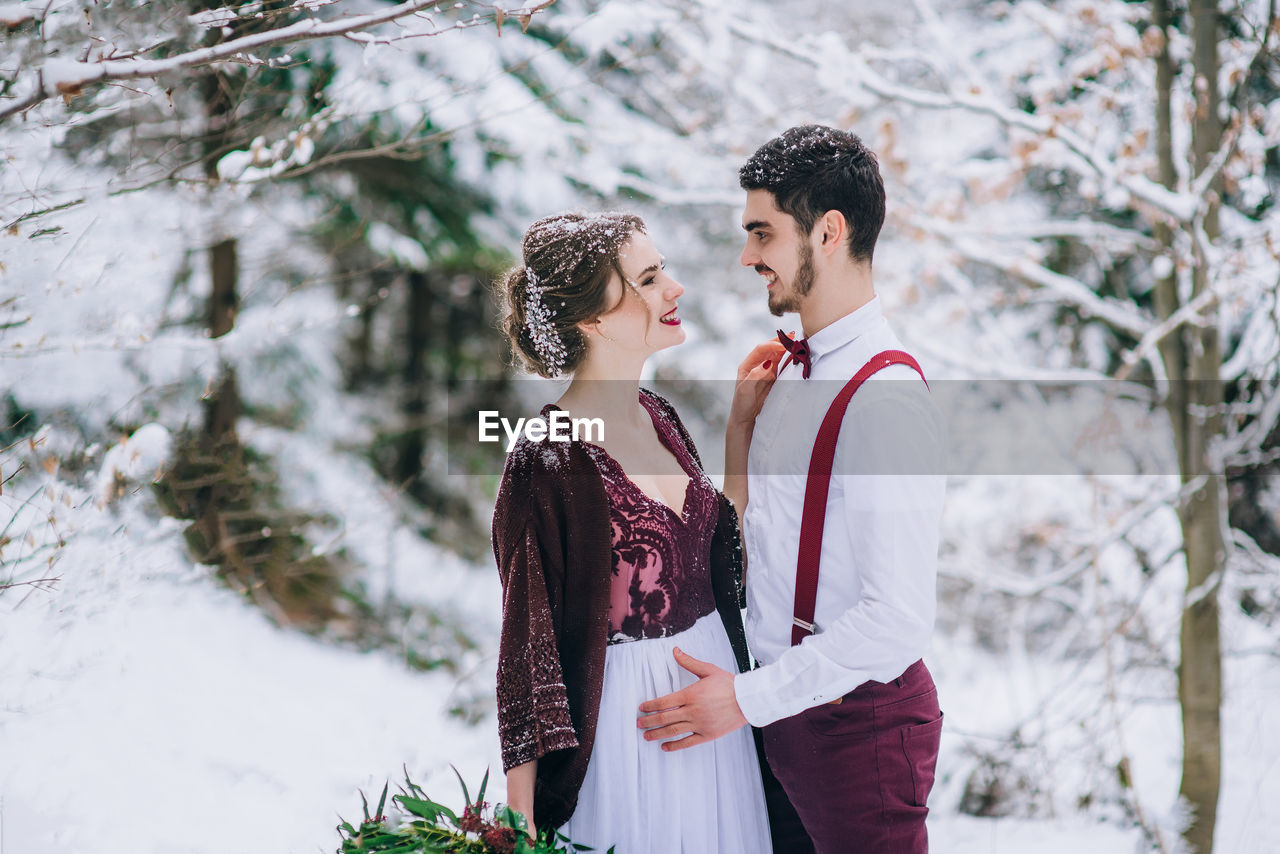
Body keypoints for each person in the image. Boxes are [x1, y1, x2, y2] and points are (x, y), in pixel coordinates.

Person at [636, 125, 948, 853]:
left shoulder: (885, 399)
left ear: (828, 232)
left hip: (856, 732)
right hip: (780, 716)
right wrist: (742, 432)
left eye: (762, 234)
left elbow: (898, 618)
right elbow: (760, 550)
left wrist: (745, 701)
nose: (747, 257)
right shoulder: (789, 373)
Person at [491, 211, 777, 853]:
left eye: (663, 271)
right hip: (629, 738)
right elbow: (526, 637)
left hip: (716, 724)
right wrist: (519, 818)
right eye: (648, 279)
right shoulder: (545, 456)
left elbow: (713, 555)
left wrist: (738, 430)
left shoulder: (661, 416)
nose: (673, 289)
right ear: (592, 320)